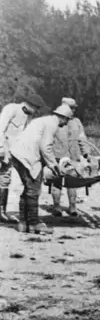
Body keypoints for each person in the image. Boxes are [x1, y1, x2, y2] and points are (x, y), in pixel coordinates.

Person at [9, 104, 73, 234]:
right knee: (34, 190)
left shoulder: (43, 120)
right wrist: (54, 165)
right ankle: (33, 223)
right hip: (28, 156)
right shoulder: (52, 124)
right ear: (64, 118)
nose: (65, 124)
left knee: (28, 189)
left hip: (17, 154)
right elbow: (45, 147)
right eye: (67, 121)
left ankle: (23, 222)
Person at [0, 93, 46, 223]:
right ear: (29, 105)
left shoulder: (28, 117)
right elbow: (0, 130)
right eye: (36, 108)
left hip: (15, 152)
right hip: (4, 149)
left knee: (5, 179)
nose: (36, 111)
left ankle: (2, 211)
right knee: (3, 177)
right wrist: (3, 150)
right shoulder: (11, 109)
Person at [50, 97, 89, 217]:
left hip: (73, 157)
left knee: (72, 181)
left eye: (74, 108)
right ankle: (57, 206)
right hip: (58, 156)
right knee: (56, 180)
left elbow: (82, 138)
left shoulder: (77, 122)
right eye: (71, 108)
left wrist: (86, 153)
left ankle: (72, 206)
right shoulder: (55, 121)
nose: (73, 111)